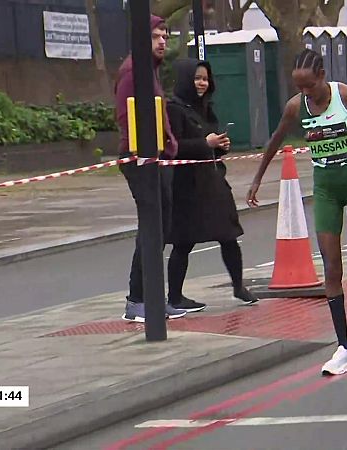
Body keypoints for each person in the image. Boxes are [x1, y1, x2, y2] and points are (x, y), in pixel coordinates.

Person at [246, 49, 347, 376]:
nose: (305, 93)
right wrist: (256, 180)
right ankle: (344, 349)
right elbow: (275, 141)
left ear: (322, 75)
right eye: (300, 87)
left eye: (309, 85)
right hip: (325, 187)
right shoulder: (296, 107)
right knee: (331, 269)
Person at [165, 59, 259, 310]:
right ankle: (174, 296)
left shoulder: (206, 108)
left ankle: (239, 286)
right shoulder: (174, 109)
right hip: (187, 186)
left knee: (229, 235)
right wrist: (205, 144)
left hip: (213, 181)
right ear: (186, 79)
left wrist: (220, 148)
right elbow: (173, 148)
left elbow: (210, 146)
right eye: (197, 78)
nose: (202, 83)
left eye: (205, 79)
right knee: (183, 243)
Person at [114, 15, 187, 322]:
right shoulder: (134, 72)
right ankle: (138, 300)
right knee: (151, 229)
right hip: (143, 160)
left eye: (164, 37)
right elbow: (126, 117)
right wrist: (144, 154)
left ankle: (152, 296)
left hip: (158, 157)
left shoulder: (150, 71)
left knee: (159, 229)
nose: (161, 42)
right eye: (156, 36)